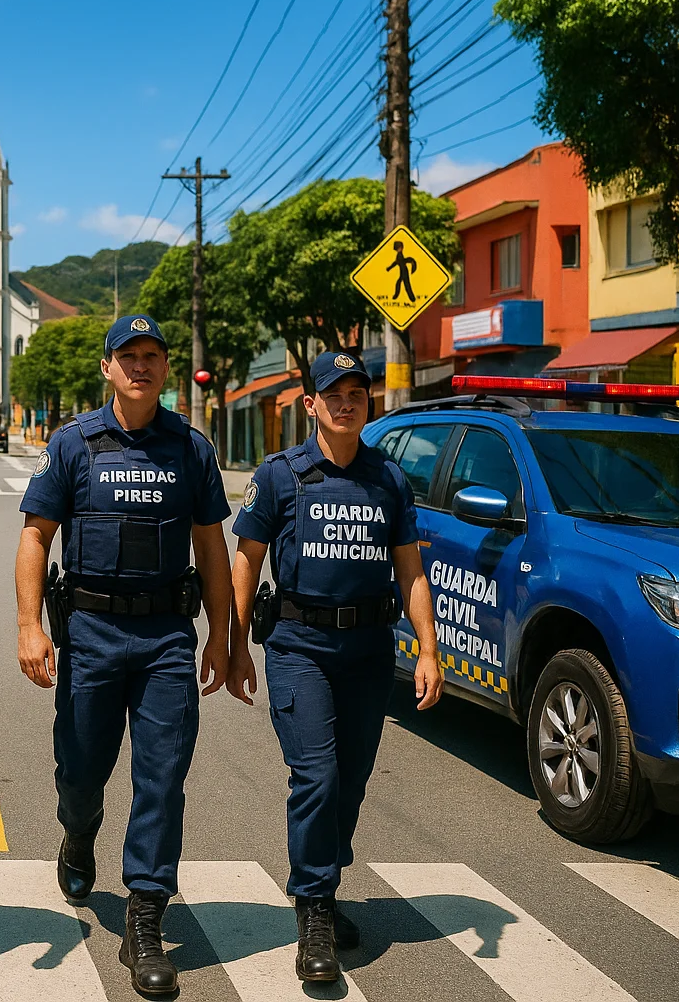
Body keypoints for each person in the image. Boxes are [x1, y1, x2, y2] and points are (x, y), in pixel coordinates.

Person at [15, 314, 244, 998]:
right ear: (108, 367)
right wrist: (31, 625)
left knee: (162, 779)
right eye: (129, 356)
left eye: (153, 356)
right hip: (89, 634)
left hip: (166, 639)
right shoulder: (73, 445)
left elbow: (211, 548)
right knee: (81, 773)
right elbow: (34, 538)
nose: (141, 365)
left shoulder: (191, 449)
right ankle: (78, 834)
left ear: (164, 368)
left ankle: (144, 914)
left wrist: (222, 637)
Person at [229, 349, 442, 984]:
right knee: (317, 777)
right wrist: (235, 643)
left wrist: (427, 650)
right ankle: (315, 909)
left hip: (369, 653)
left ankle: (322, 880)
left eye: (358, 391)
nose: (347, 401)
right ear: (311, 404)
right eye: (334, 392)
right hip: (300, 648)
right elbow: (246, 559)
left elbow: (411, 568)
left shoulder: (388, 479)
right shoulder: (280, 475)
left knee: (349, 783)